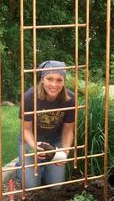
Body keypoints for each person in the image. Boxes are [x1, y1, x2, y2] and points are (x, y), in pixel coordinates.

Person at [17, 60, 75, 189]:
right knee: (32, 186)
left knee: (56, 187)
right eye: (49, 79)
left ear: (64, 81)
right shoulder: (29, 97)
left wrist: (64, 153)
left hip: (55, 141)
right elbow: (26, 129)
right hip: (31, 140)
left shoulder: (70, 100)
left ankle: (40, 166)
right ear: (42, 79)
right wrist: (34, 146)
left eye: (59, 80)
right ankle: (20, 165)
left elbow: (68, 131)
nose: (54, 85)